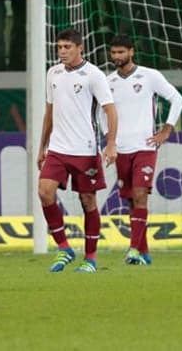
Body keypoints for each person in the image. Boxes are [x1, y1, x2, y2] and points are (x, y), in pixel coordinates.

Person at [36, 28, 118, 273]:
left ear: (80, 48)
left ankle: (90, 257)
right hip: (58, 149)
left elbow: (110, 111)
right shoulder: (53, 73)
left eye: (67, 47)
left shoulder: (93, 75)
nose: (62, 52)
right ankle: (64, 248)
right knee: (44, 192)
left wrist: (111, 143)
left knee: (88, 200)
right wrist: (42, 147)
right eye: (59, 47)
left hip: (85, 149)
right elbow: (49, 113)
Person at [105, 35, 182, 265]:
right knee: (130, 201)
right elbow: (102, 112)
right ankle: (145, 253)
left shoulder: (149, 76)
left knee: (140, 195)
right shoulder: (108, 82)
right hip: (121, 149)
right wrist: (108, 140)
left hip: (145, 147)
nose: (117, 57)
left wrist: (166, 130)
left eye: (121, 52)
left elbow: (177, 99)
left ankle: (132, 250)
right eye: (114, 53)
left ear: (131, 52)